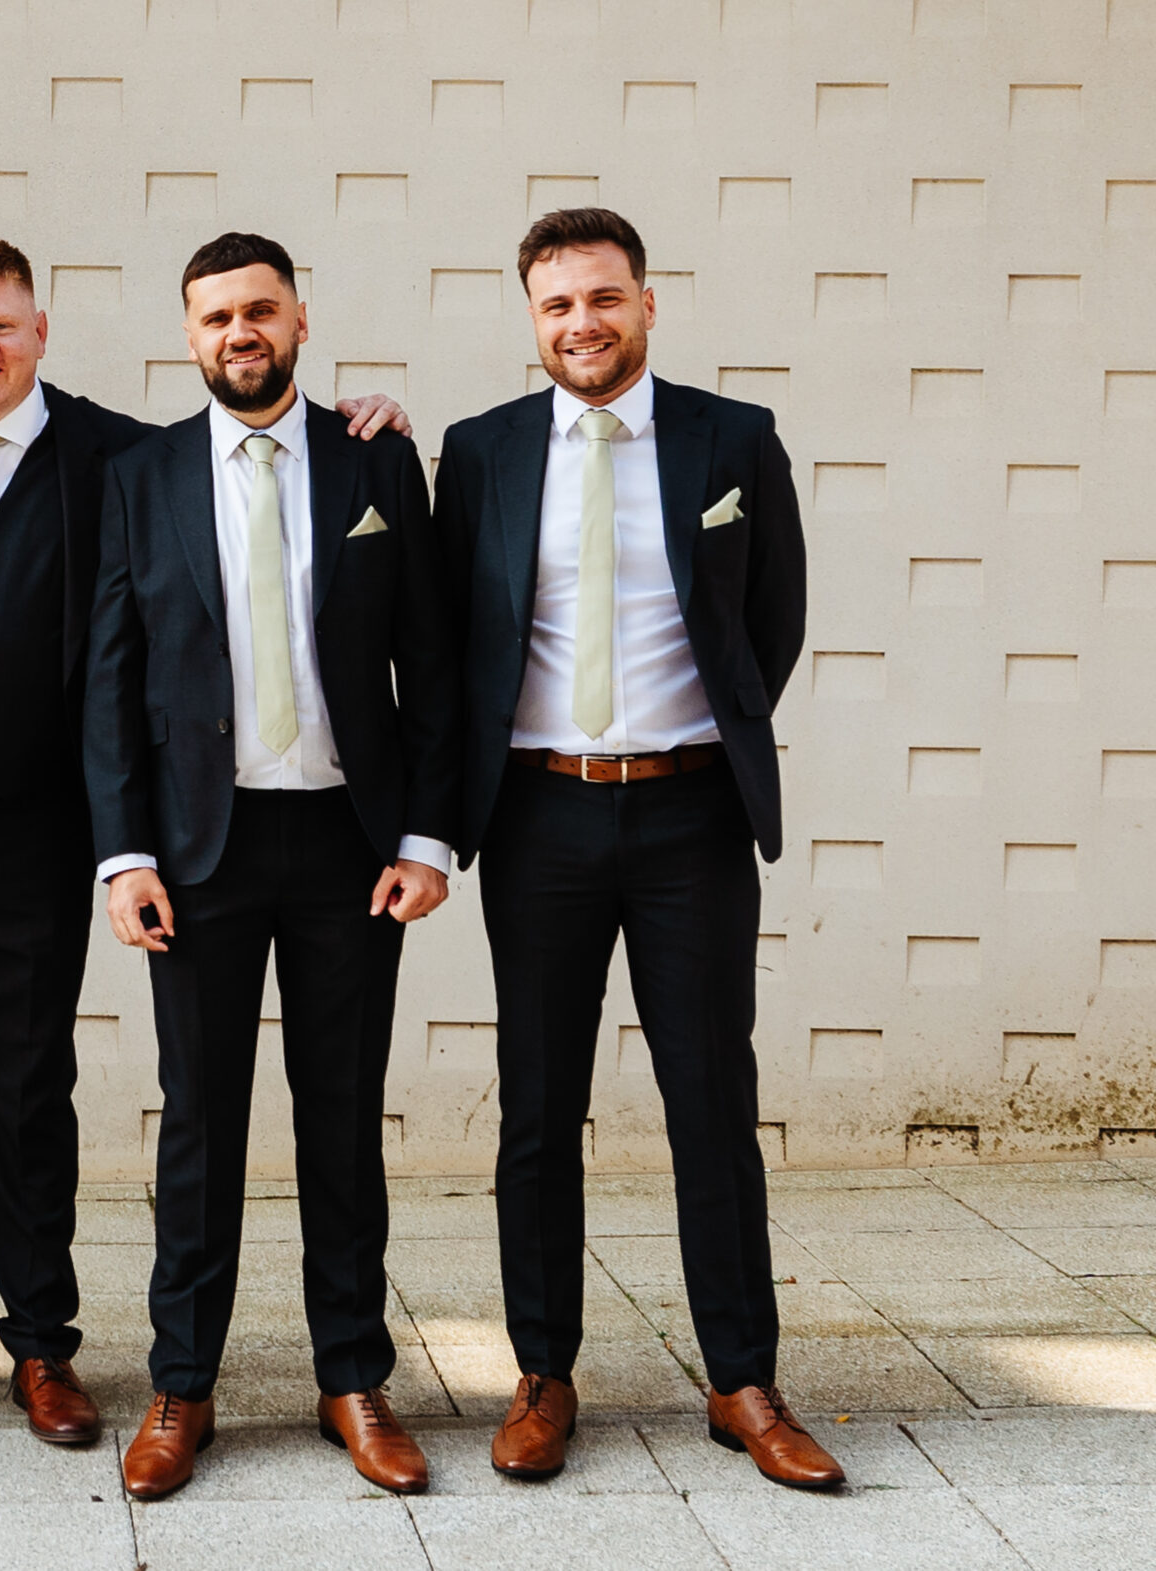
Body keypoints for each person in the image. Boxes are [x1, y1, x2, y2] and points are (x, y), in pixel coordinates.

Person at [0, 237, 416, 1446]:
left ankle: (62, 1345)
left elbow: (420, 662)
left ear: (43, 330)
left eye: (2, 326)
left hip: (96, 833)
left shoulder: (129, 454)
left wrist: (119, 839)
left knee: (45, 1090)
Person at [428, 207, 840, 1488]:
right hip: (539, 814)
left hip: (688, 816)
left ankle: (741, 1382)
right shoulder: (481, 452)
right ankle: (543, 1374)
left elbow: (769, 625)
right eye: (555, 305)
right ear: (531, 318)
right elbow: (448, 642)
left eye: (602, 299)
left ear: (647, 304)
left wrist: (694, 750)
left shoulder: (733, 440)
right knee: (539, 1112)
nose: (581, 324)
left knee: (710, 1103)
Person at [86, 232, 449, 1500]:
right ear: (187, 338)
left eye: (258, 311)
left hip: (351, 846)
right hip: (198, 852)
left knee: (342, 1121)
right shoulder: (138, 475)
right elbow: (111, 681)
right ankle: (182, 1385)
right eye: (213, 318)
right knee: (199, 1128)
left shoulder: (378, 459)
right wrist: (123, 855)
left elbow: (433, 661)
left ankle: (352, 1377)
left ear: (298, 319)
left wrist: (424, 836)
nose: (237, 333)